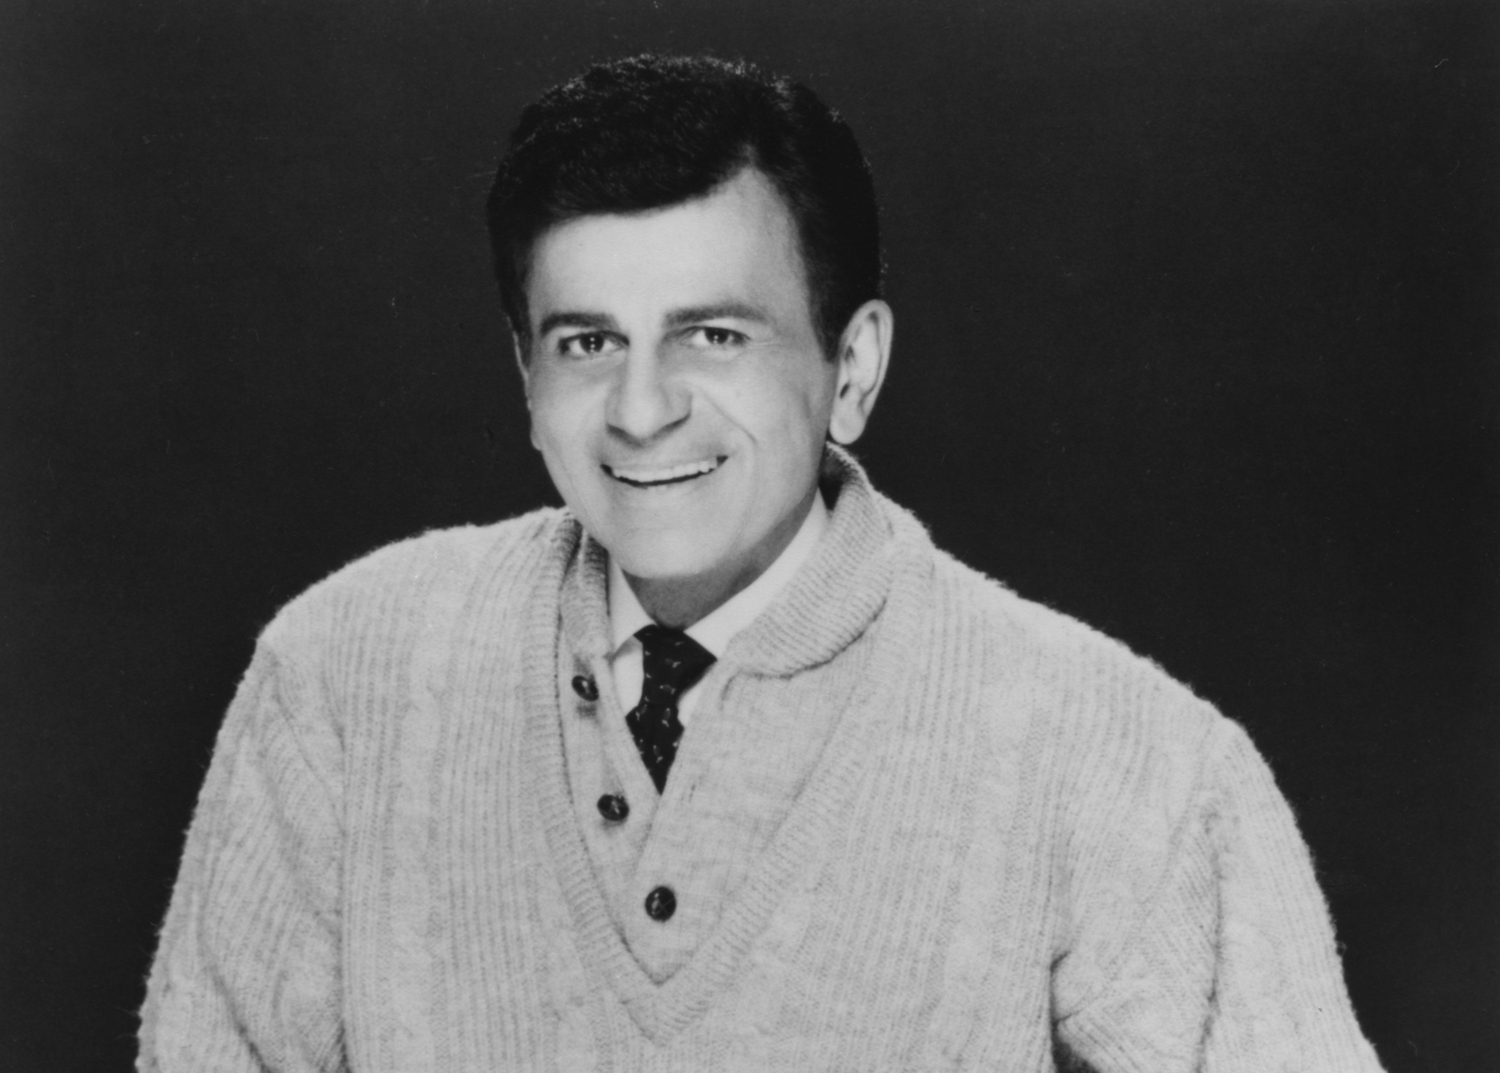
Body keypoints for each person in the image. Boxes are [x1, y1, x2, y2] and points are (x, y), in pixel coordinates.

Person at [138, 54, 1384, 1072]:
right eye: (587, 342)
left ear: (853, 370)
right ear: (526, 378)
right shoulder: (345, 677)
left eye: (713, 335)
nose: (642, 410)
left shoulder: (1118, 756)